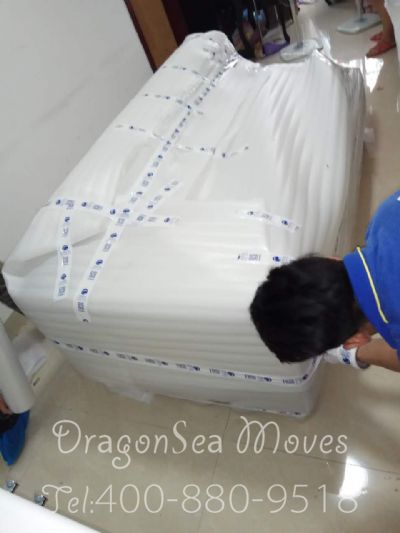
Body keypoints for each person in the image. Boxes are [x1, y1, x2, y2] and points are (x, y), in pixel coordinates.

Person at [249, 190, 400, 372]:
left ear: (355, 340)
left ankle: (354, 354)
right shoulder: (385, 214)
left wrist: (358, 352)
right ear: (331, 259)